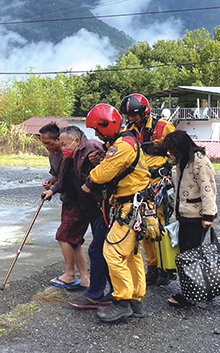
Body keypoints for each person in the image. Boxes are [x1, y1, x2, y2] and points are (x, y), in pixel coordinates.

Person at [83, 104, 151, 323]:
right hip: (133, 206)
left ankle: (122, 301)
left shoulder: (123, 146)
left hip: (130, 207)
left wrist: (90, 179)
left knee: (112, 252)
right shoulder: (124, 142)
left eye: (97, 129)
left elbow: (102, 175)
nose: (96, 134)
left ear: (107, 125)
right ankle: (135, 301)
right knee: (131, 254)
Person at [50, 126, 113, 310]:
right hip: (87, 208)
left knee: (100, 251)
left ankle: (98, 294)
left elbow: (107, 171)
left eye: (64, 144)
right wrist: (51, 190)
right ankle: (104, 292)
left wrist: (94, 171)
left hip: (100, 208)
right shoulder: (71, 155)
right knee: (98, 250)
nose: (63, 148)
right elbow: (61, 179)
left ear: (76, 140)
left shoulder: (92, 148)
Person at [121, 93, 176, 287]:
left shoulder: (164, 127)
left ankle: (166, 268)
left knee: (159, 226)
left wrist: (165, 162)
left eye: (134, 115)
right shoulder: (129, 131)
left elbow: (179, 150)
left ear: (145, 112)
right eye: (128, 115)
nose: (131, 119)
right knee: (143, 228)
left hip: (159, 184)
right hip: (140, 186)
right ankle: (152, 267)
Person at [160, 130, 218, 308]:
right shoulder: (183, 160)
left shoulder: (199, 161)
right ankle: (200, 290)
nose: (171, 153)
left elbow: (207, 188)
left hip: (197, 216)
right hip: (185, 215)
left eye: (173, 150)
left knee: (190, 256)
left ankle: (190, 294)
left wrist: (208, 215)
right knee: (187, 254)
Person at [40, 122, 89, 290]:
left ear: (59, 140)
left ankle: (69, 274)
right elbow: (57, 177)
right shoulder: (53, 155)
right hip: (67, 200)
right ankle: (85, 278)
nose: (47, 147)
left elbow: (66, 179)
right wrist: (50, 184)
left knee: (63, 236)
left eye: (49, 143)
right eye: (44, 143)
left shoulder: (71, 153)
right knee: (74, 241)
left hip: (79, 201)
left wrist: (53, 190)